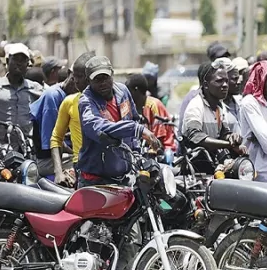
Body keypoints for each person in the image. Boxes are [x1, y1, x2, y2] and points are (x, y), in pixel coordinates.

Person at [77, 56, 160, 188]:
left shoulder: (122, 91)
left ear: (112, 75)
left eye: (105, 77)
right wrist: (136, 129)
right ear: (88, 81)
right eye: (97, 79)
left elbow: (133, 119)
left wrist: (137, 153)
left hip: (124, 176)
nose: (103, 82)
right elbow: (96, 127)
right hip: (96, 181)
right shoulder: (86, 101)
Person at [30, 53, 86, 178]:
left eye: (83, 80)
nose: (77, 83)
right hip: (48, 161)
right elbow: (53, 140)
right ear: (69, 74)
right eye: (75, 77)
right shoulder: (53, 96)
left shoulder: (77, 97)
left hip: (66, 154)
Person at [182, 61, 245, 165]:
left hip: (215, 165)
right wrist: (227, 145)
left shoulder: (219, 106)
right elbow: (196, 136)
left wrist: (232, 137)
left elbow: (224, 133)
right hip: (196, 171)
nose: (225, 85)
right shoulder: (196, 105)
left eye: (226, 81)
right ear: (206, 85)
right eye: (219, 81)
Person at [51, 53, 95, 186]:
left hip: (109, 170)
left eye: (80, 76)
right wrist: (58, 172)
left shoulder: (110, 101)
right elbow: (56, 138)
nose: (75, 81)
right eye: (74, 76)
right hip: (82, 169)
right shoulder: (69, 102)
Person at [0, 43, 44, 151]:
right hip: (0, 149)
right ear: (7, 61)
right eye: (15, 59)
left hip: (27, 150)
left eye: (23, 60)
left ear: (27, 64)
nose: (19, 63)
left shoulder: (36, 89)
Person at [126, 73, 177, 151]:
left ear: (136, 90)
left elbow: (158, 139)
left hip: (162, 151)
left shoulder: (154, 105)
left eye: (128, 90)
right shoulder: (131, 107)